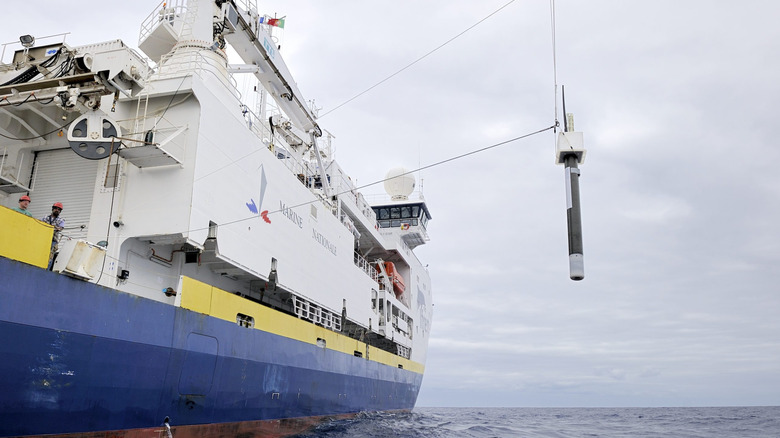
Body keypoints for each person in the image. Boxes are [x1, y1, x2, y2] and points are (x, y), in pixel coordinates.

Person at [41, 202, 65, 270]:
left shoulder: (61, 220)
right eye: (56, 208)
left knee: (50, 256)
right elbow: (41, 224)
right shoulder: (46, 218)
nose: (57, 210)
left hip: (53, 241)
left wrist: (55, 228)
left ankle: (47, 269)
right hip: (44, 239)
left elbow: (61, 228)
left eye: (59, 209)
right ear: (52, 209)